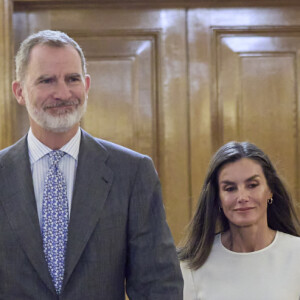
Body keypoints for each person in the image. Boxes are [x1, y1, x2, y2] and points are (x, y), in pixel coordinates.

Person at [0, 30, 183, 299]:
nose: (62, 93)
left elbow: (158, 286)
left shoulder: (132, 173)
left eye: (72, 79)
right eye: (46, 80)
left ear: (86, 85)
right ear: (19, 92)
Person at [178, 141, 300, 300]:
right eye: (230, 188)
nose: (242, 197)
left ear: (270, 190)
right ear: (217, 198)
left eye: (252, 185)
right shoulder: (192, 264)